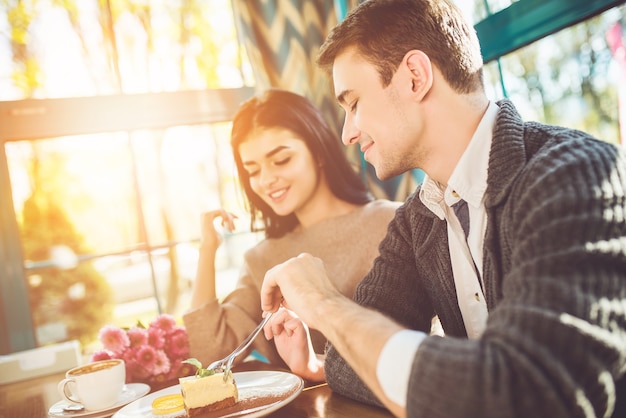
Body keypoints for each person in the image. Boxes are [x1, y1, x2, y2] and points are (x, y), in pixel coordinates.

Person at [260, 0, 626, 417]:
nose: (347, 133)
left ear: (415, 77)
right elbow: (349, 366)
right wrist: (320, 362)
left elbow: (528, 395)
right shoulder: (419, 218)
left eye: (354, 103)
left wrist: (325, 304)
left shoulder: (576, 175)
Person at [182, 88, 400, 374]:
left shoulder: (391, 222)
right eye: (253, 170)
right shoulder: (263, 259)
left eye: (281, 160)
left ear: (318, 152)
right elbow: (209, 354)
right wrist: (206, 250)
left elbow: (413, 345)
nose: (267, 180)